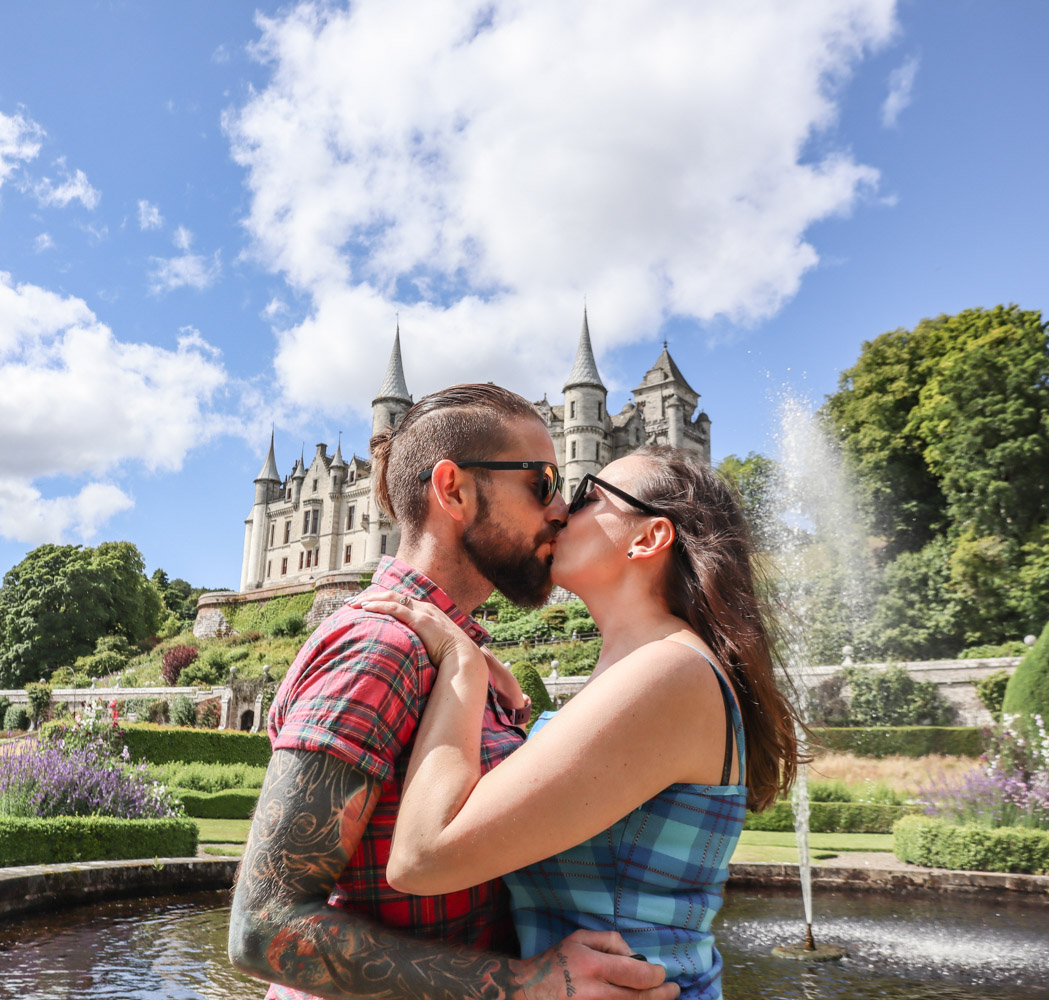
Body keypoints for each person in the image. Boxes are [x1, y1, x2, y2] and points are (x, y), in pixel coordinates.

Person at [228, 385, 677, 1000]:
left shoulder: (453, 655)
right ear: (454, 491)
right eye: (542, 483)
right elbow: (263, 929)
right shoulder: (380, 648)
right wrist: (521, 985)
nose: (561, 511)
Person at [355, 446, 804, 1000]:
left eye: (590, 494)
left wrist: (461, 670)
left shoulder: (669, 672)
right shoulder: (651, 668)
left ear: (649, 538)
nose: (562, 509)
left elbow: (422, 858)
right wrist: (517, 722)